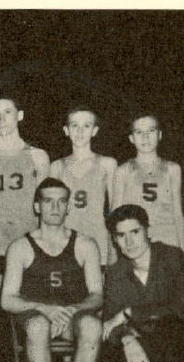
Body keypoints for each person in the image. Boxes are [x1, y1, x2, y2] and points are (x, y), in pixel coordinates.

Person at [1, 178, 103, 362]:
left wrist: (72, 311)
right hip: (36, 317)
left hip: (73, 317)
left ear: (68, 207)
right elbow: (8, 299)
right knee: (37, 325)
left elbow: (97, 295)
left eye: (61, 202)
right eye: (48, 201)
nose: (55, 207)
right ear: (37, 207)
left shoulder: (85, 244)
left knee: (92, 324)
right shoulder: (20, 247)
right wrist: (45, 309)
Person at [102, 204, 184, 362]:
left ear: (147, 231)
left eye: (135, 232)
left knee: (171, 327)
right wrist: (128, 339)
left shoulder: (171, 257)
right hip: (139, 349)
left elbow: (181, 308)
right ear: (114, 240)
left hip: (175, 345)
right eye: (121, 235)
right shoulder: (114, 273)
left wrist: (130, 312)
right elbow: (109, 325)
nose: (129, 242)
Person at [0, 96, 50, 327]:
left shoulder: (38, 156)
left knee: (35, 314)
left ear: (20, 115)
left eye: (7, 112)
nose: (2, 119)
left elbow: (45, 202)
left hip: (28, 245)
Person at [50, 106, 117, 266]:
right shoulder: (56, 166)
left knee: (98, 288)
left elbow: (115, 209)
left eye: (86, 126)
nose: (80, 131)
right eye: (75, 125)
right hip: (65, 239)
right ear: (66, 130)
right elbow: (51, 211)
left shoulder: (107, 164)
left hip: (97, 238)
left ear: (94, 130)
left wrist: (113, 248)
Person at [112, 113, 184, 253]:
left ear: (159, 135)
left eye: (151, 131)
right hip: (136, 242)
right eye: (139, 132)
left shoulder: (172, 169)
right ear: (131, 138)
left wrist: (183, 253)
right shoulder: (123, 171)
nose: (145, 137)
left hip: (168, 240)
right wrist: (114, 255)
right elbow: (116, 215)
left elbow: (178, 214)